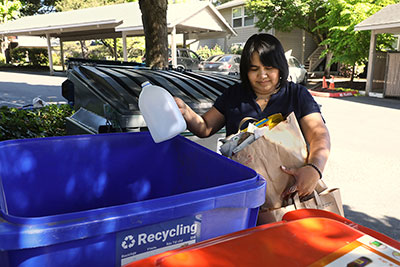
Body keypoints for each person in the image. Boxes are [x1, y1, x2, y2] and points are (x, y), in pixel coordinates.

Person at [175, 33, 330, 199]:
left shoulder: (297, 94)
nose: (262, 75)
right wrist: (185, 111)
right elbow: (204, 127)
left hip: (290, 192)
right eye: (254, 69)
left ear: (280, 68)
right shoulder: (234, 95)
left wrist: (314, 169)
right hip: (241, 193)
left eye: (269, 68)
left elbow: (318, 134)